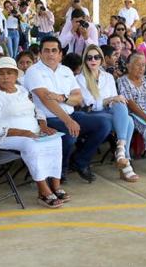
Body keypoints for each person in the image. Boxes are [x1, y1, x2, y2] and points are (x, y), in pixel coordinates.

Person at [24, 37, 111, 183]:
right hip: (48, 119)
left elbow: (78, 97)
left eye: (54, 51)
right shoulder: (34, 71)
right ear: (40, 53)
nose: (50, 54)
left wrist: (62, 98)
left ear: (60, 55)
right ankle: (58, 171)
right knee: (70, 135)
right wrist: (68, 120)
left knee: (104, 123)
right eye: (46, 50)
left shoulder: (66, 71)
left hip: (71, 114)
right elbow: (46, 99)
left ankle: (80, 160)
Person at [0, 57, 66, 207]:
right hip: (5, 138)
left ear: (16, 75)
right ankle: (43, 191)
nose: (6, 77)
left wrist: (43, 125)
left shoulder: (22, 90)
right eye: (1, 74)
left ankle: (56, 185)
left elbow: (36, 110)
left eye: (9, 73)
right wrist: (23, 132)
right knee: (31, 145)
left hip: (33, 132)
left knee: (56, 139)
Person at [78, 45, 138, 182]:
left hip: (110, 111)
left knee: (122, 107)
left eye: (96, 57)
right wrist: (110, 99)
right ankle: (124, 159)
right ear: (85, 60)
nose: (93, 60)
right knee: (128, 121)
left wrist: (113, 100)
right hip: (93, 114)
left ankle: (121, 151)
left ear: (101, 59)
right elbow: (89, 103)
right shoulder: (80, 79)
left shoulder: (108, 77)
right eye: (89, 57)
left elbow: (114, 100)